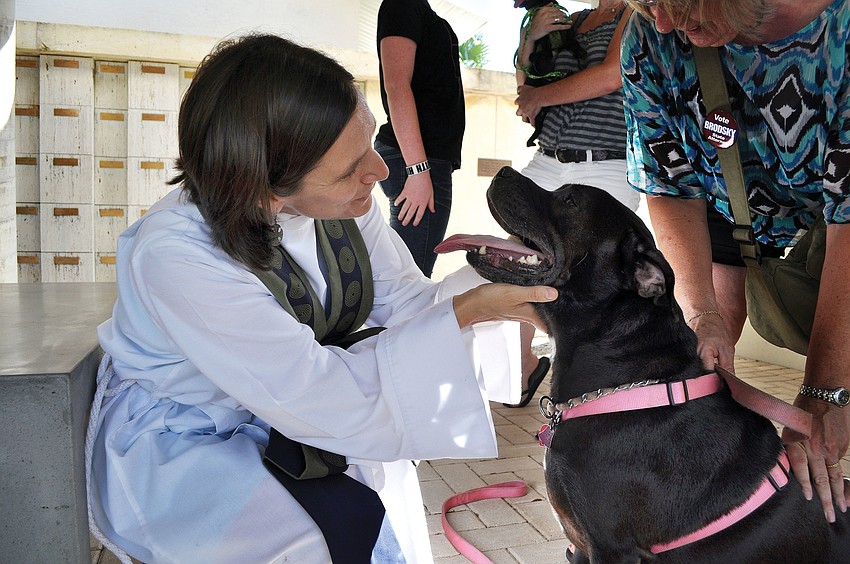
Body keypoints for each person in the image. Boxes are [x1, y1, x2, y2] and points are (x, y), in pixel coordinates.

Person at [85, 34, 556, 563]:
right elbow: (315, 392)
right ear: (266, 188)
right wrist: (468, 313)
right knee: (306, 547)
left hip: (293, 407)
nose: (379, 172)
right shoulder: (177, 255)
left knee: (370, 522)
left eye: (371, 142)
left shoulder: (341, 204)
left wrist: (498, 274)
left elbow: (407, 303)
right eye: (350, 166)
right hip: (191, 435)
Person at [620, 0, 850, 525]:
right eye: (645, 3)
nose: (659, 22)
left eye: (673, 1)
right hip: (730, 207)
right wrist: (702, 315)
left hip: (835, 227)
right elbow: (669, 181)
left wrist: (824, 391)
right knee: (701, 366)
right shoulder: (653, 33)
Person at [509, 0, 635, 408]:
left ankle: (586, 391)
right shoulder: (573, 19)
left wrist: (539, 97)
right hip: (548, 157)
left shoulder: (634, 13)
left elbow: (612, 75)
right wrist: (530, 41)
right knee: (514, 261)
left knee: (586, 279)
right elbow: (527, 89)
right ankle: (522, 370)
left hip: (607, 161)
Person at [374, 0, 464, 279]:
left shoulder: (417, 9)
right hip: (416, 160)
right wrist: (417, 169)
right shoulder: (402, 5)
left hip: (422, 160)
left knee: (410, 276)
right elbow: (396, 86)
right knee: (410, 281)